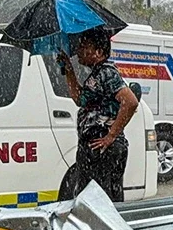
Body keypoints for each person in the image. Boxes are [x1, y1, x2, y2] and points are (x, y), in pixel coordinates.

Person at [57, 26, 139, 202]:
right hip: (92, 148)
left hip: (103, 149)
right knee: (91, 198)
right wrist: (69, 70)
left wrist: (110, 137)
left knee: (102, 201)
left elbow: (130, 102)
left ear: (99, 51)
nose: (79, 50)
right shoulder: (96, 74)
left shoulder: (107, 72)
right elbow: (80, 99)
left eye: (84, 46)